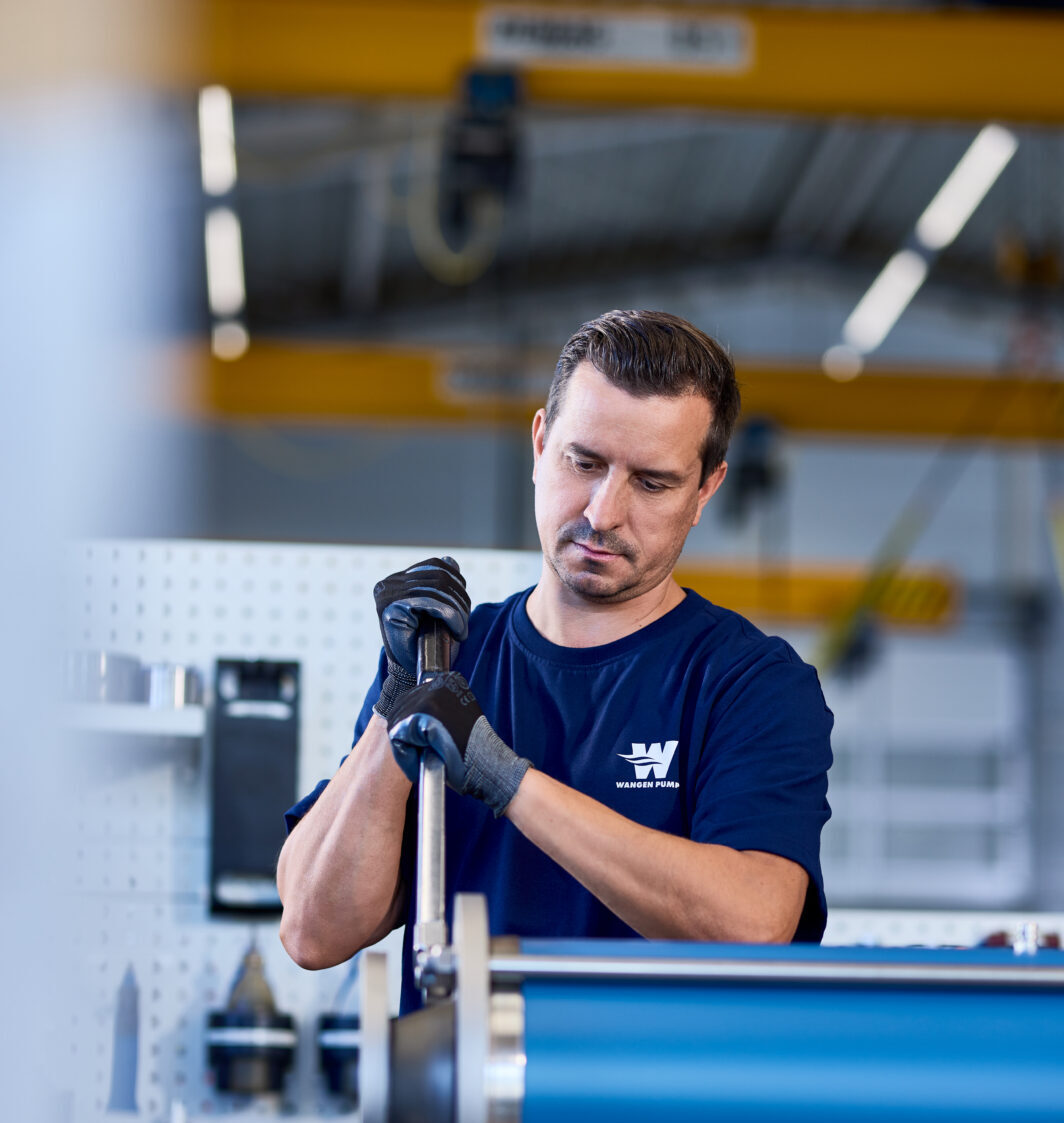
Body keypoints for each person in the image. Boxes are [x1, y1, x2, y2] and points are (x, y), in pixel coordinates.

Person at [277, 309, 833, 1012]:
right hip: (461, 1072)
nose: (603, 513)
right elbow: (312, 929)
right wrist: (396, 705)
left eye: (652, 482)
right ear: (540, 443)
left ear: (705, 491)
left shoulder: (750, 685)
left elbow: (751, 925)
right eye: (585, 462)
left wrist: (505, 779)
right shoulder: (446, 659)